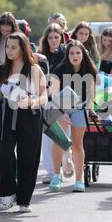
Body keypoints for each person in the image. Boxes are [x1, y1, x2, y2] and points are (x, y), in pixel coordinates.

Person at [0, 32, 47, 212]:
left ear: (23, 49)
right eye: (7, 47)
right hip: (6, 114)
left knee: (28, 158)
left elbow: (44, 97)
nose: (9, 50)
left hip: (29, 115)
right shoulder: (1, 69)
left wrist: (32, 102)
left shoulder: (35, 70)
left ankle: (24, 200)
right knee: (3, 152)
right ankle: (8, 193)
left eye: (13, 47)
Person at [48, 40, 99, 192]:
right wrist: (62, 113)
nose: (75, 56)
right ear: (67, 55)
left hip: (79, 109)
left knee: (77, 144)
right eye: (71, 53)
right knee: (59, 141)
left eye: (78, 53)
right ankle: (56, 176)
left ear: (83, 54)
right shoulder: (59, 69)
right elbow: (53, 95)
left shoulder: (89, 70)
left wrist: (91, 110)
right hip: (60, 108)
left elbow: (90, 95)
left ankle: (79, 181)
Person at [37, 23, 74, 184]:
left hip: (64, 97)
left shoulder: (67, 54)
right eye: (50, 38)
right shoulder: (39, 56)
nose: (53, 40)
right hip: (45, 97)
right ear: (46, 39)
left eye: (56, 37)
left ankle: (67, 156)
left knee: (63, 132)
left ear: (61, 38)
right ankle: (51, 172)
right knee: (46, 135)